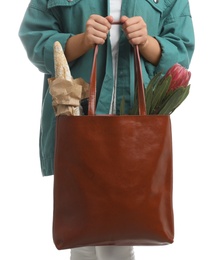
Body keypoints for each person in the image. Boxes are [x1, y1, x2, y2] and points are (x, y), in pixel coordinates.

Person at [19, 0, 195, 259]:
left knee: (109, 238)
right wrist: (81, 41)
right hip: (76, 118)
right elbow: (34, 37)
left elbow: (181, 52)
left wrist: (146, 42)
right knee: (82, 236)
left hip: (133, 130)